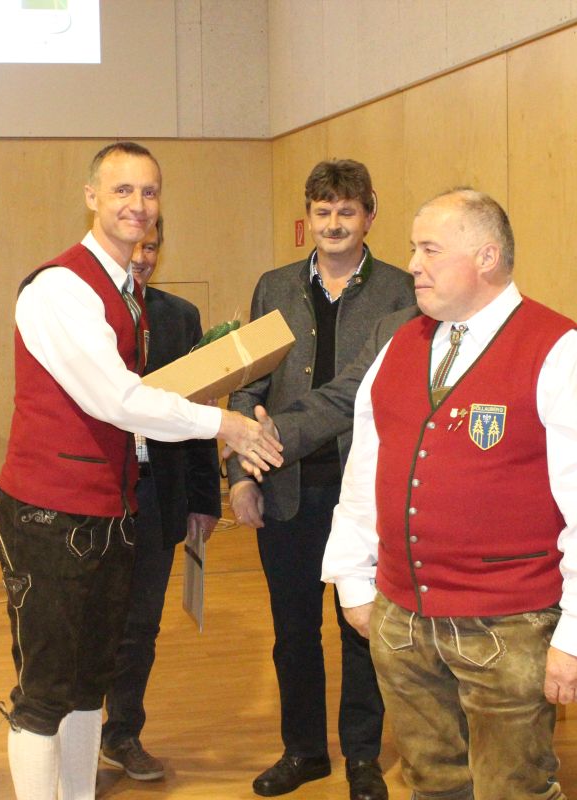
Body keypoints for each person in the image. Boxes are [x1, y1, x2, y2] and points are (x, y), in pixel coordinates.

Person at [322, 188, 577, 800]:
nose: (413, 264)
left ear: (487, 257)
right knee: (431, 783)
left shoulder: (564, 354)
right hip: (402, 622)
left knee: (512, 789)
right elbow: (364, 472)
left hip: (509, 625)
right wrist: (353, 580)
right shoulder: (398, 346)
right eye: (414, 249)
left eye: (429, 250)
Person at [0, 140, 281, 800]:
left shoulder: (128, 292)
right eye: (122, 190)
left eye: (149, 192)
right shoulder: (61, 287)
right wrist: (226, 425)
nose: (138, 204)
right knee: (45, 693)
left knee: (89, 684)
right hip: (50, 515)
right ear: (91, 197)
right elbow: (117, 399)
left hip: (108, 509)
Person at [227, 160, 413, 800]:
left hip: (366, 492)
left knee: (362, 629)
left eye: (347, 211)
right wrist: (240, 476)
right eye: (323, 211)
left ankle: (363, 757)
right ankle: (303, 751)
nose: (334, 224)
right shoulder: (274, 286)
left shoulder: (401, 292)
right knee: (293, 632)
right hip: (286, 488)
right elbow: (248, 385)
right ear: (308, 218)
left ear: (369, 215)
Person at [100, 219, 221, 781]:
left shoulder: (180, 317)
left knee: (141, 626)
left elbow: (197, 417)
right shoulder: (85, 310)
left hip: (158, 492)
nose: (142, 257)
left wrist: (205, 499)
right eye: (133, 246)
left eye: (151, 246)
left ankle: (122, 733)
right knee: (89, 625)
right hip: (97, 493)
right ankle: (74, 741)